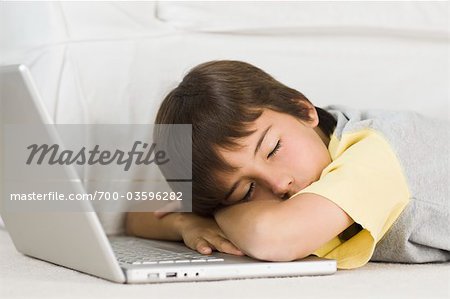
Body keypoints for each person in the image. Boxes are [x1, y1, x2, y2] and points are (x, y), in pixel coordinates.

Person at [126, 60, 450, 269]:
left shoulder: (375, 153)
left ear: (303, 109)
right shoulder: (312, 135)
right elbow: (137, 214)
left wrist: (218, 210)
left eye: (273, 149)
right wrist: (188, 224)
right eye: (248, 190)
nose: (279, 185)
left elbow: (273, 236)